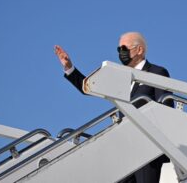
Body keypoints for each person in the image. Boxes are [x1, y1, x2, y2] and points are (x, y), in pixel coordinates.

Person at [55, 32, 171, 183]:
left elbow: (166, 108)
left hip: (148, 149)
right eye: (118, 49)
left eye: (124, 48)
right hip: (124, 149)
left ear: (140, 50)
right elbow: (91, 87)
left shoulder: (157, 72)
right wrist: (69, 68)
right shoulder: (122, 78)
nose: (121, 53)